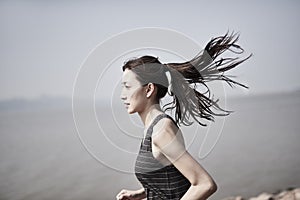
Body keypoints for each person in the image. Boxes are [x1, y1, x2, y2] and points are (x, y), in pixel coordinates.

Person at [116, 32, 251, 200]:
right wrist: (140, 194)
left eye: (128, 87)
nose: (122, 95)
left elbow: (204, 184)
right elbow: (172, 176)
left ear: (149, 89)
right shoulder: (153, 129)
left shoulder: (161, 131)